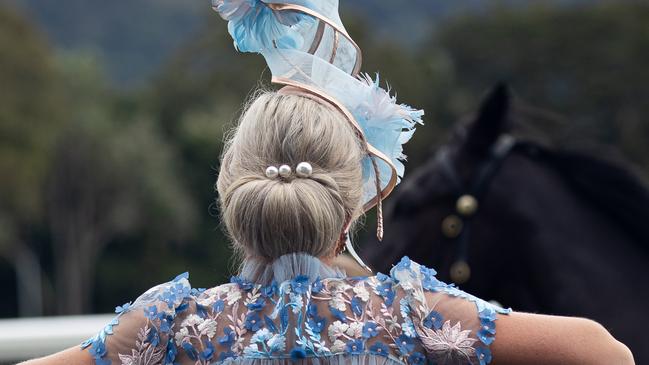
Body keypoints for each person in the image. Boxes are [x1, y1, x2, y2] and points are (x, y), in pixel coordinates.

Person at [23, 1, 634, 364]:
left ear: (234, 196)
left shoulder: (176, 324)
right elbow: (605, 353)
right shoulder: (412, 317)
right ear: (355, 204)